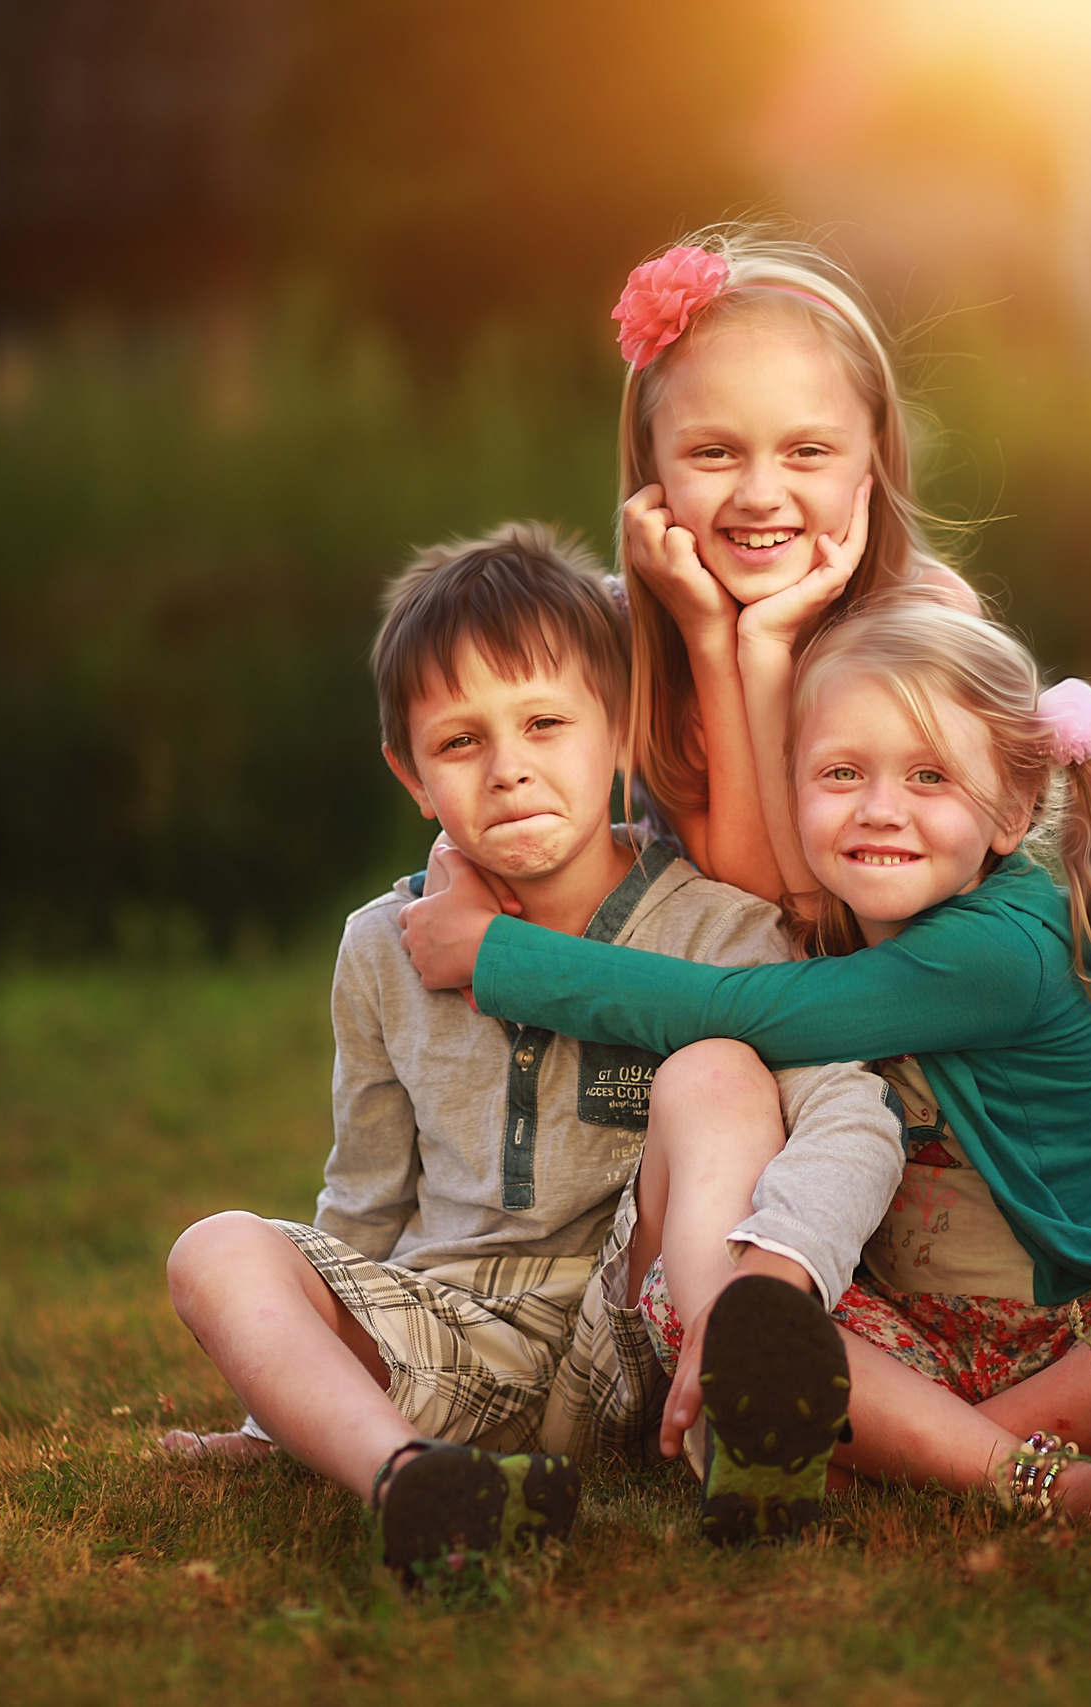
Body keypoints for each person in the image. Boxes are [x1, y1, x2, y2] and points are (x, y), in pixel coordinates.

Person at [400, 593, 1091, 1529]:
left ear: (1012, 807)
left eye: (929, 777)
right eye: (841, 772)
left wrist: (493, 953)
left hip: (1089, 1334)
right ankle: (975, 1459)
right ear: (794, 791)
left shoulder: (1004, 946)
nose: (880, 810)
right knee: (710, 1297)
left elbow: (731, 1010)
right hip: (913, 1336)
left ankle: (975, 1467)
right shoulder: (851, 922)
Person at [162, 524, 903, 1575]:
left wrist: (778, 1276)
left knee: (716, 1067)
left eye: (545, 723)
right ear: (410, 775)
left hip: (645, 1328)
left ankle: (740, 1412)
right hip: (456, 1336)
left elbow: (849, 1109)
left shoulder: (716, 927)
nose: (508, 771)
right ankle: (415, 1480)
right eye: (460, 743)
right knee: (214, 1247)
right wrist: (275, 1406)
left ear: (620, 731)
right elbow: (365, 1200)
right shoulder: (384, 945)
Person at [606, 226, 981, 901]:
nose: (759, 496)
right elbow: (747, 899)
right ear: (649, 463)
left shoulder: (925, 619)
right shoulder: (627, 634)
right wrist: (705, 634)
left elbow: (800, 907)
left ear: (874, 453)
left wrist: (759, 643)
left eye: (807, 451)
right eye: (713, 453)